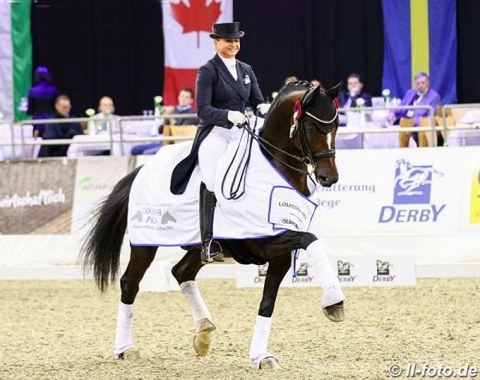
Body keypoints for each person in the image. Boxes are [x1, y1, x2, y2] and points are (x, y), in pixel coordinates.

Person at [170, 22, 270, 264]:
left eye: (237, 41)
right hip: (215, 132)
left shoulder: (246, 69)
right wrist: (227, 115)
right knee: (213, 178)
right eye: (229, 41)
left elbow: (256, 100)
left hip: (240, 131)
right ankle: (207, 243)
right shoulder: (208, 70)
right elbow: (202, 109)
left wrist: (264, 107)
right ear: (216, 43)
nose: (234, 45)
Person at [131, 88, 199, 155]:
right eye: (182, 96)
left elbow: (179, 133)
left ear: (191, 100)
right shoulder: (173, 110)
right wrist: (165, 119)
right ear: (178, 97)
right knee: (135, 150)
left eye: (186, 97)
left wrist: (170, 117)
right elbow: (160, 131)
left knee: (145, 153)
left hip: (176, 145)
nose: (183, 99)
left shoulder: (193, 115)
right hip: (165, 142)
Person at [27, 66, 58, 138]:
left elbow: (30, 110)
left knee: (36, 144)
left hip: (37, 122)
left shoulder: (32, 91)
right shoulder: (53, 90)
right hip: (51, 121)